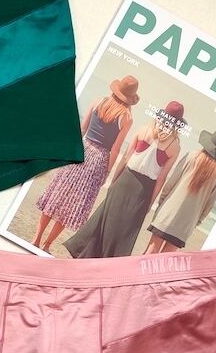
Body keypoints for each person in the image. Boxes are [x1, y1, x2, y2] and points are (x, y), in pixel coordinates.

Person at [64, 101, 185, 258]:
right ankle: (109, 260)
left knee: (105, 217)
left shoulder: (144, 129)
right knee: (125, 230)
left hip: (125, 179)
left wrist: (114, 180)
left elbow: (126, 158)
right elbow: (161, 178)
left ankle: (84, 253)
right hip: (144, 191)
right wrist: (151, 202)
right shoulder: (175, 146)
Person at [32, 76, 137, 251]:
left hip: (82, 149)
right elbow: (116, 149)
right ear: (130, 98)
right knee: (73, 205)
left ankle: (36, 239)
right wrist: (107, 172)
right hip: (98, 160)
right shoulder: (126, 117)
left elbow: (81, 129)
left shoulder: (98, 102)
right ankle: (47, 245)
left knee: (57, 194)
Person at [145, 127, 216, 253]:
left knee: (150, 251)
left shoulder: (192, 155)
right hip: (187, 223)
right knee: (166, 259)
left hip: (168, 211)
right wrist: (196, 222)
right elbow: (210, 203)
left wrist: (161, 203)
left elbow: (171, 182)